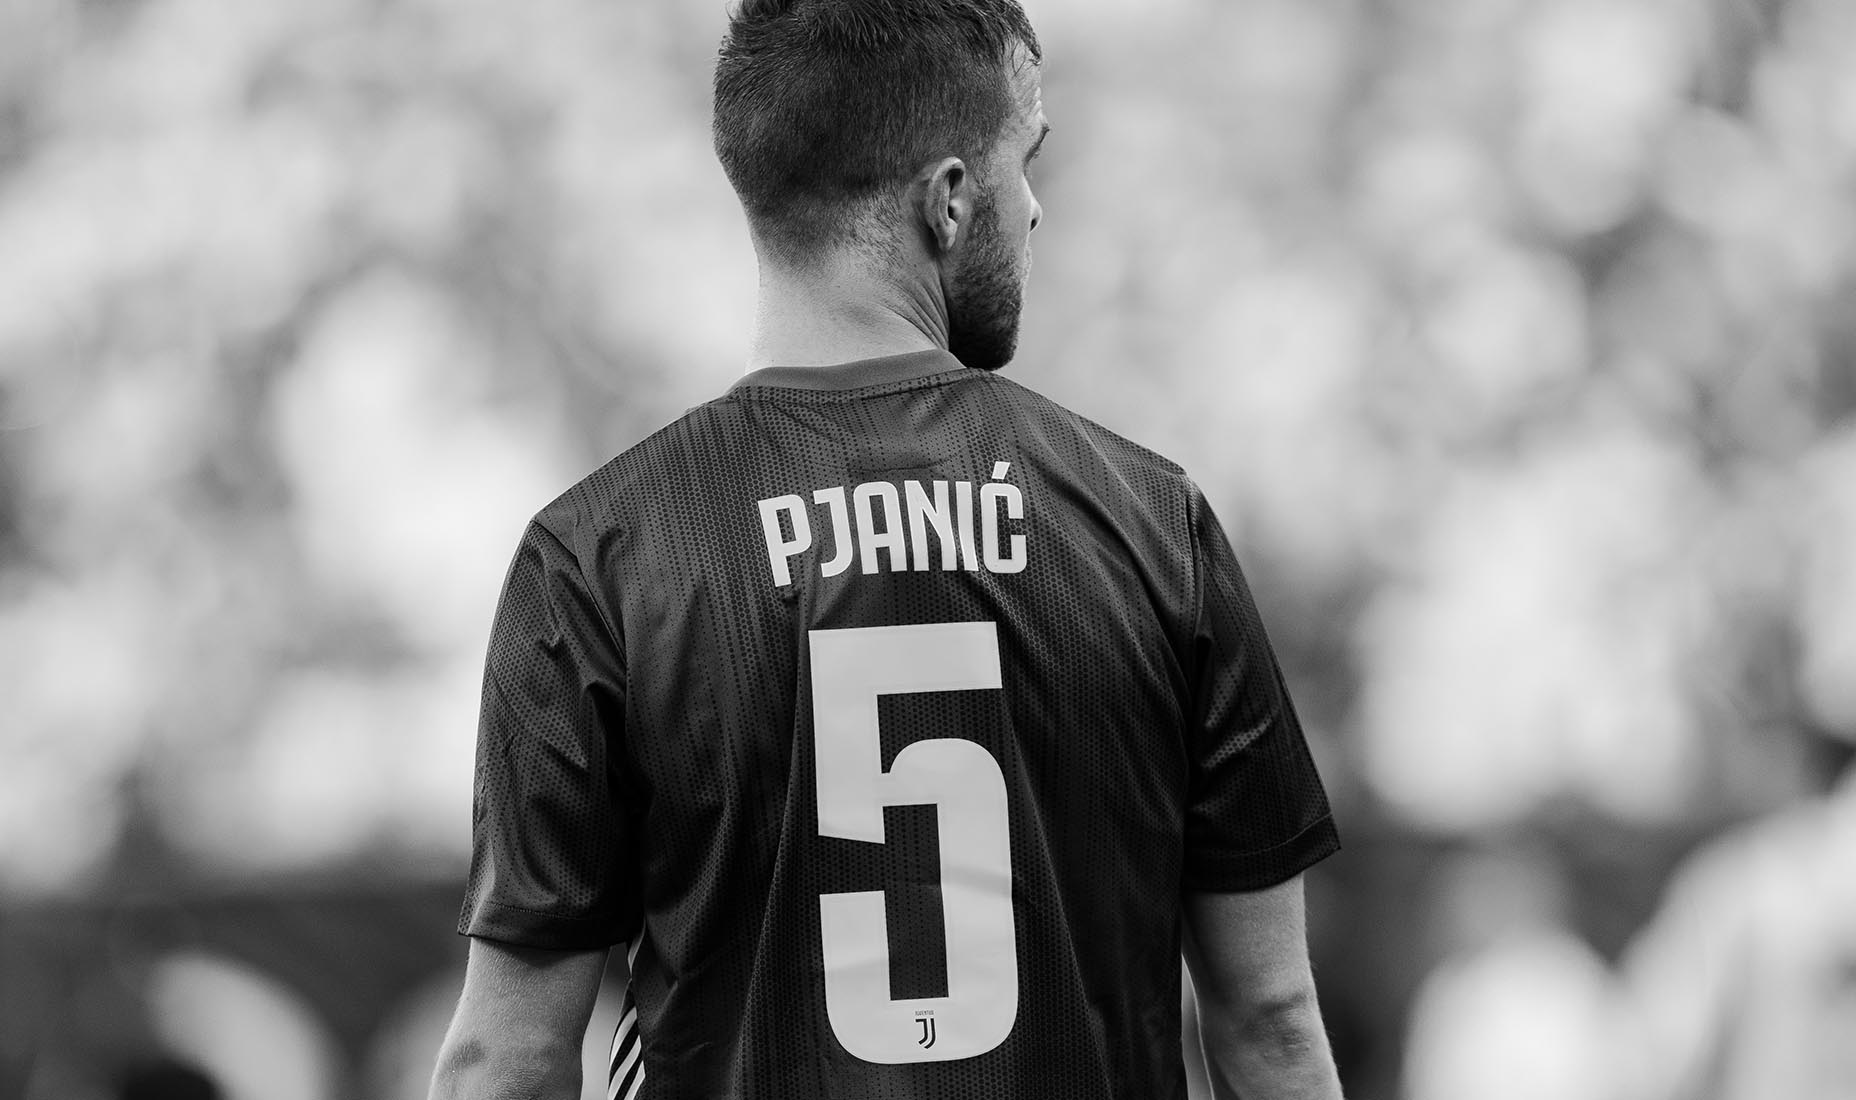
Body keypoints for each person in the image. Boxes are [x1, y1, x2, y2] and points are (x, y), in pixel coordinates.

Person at [429, 1, 1343, 1097]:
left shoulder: (600, 557)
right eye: (1024, 162)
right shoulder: (1155, 522)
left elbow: (509, 1057)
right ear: (949, 200)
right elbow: (1269, 1018)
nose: (1034, 207)